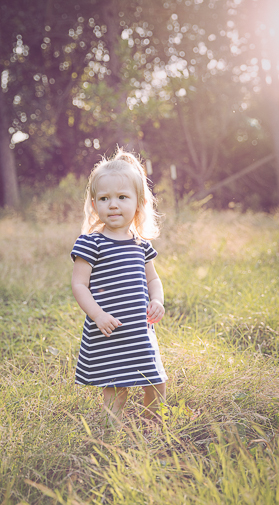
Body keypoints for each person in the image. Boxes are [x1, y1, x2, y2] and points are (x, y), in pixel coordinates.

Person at [70, 149, 166, 425]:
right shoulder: (91, 243)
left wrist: (157, 300)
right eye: (104, 198)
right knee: (116, 386)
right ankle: (111, 432)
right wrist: (97, 315)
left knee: (156, 381)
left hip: (139, 329)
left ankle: (151, 426)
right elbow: (79, 284)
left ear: (138, 202)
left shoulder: (140, 244)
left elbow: (153, 280)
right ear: (94, 203)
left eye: (122, 197)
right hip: (109, 328)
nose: (113, 205)